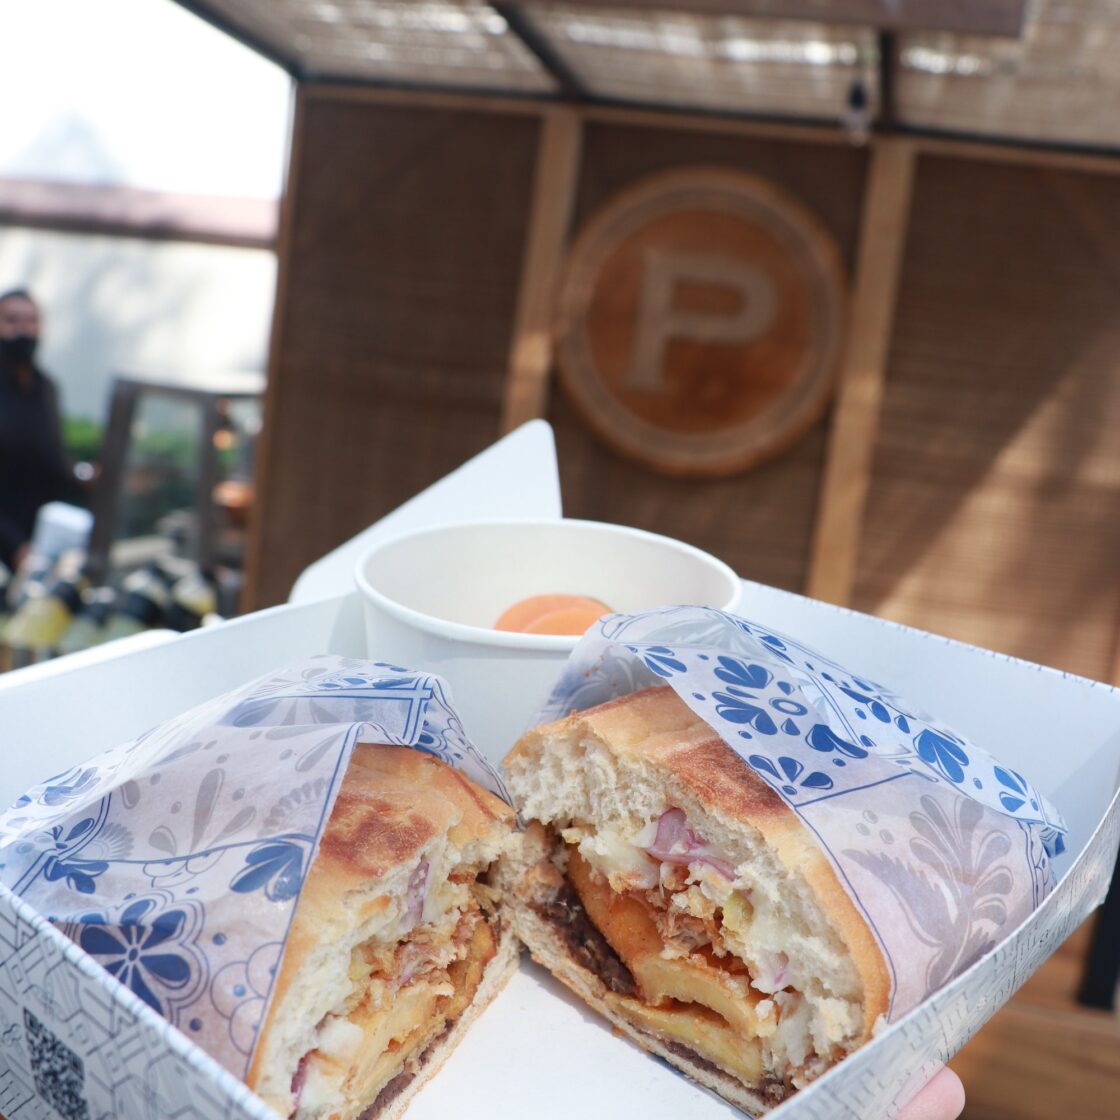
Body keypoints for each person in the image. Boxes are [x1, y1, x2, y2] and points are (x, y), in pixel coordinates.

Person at [0, 288, 75, 570]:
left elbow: (53, 463)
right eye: (11, 321)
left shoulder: (46, 388)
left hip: (41, 542)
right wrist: (14, 546)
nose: (23, 330)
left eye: (31, 321)